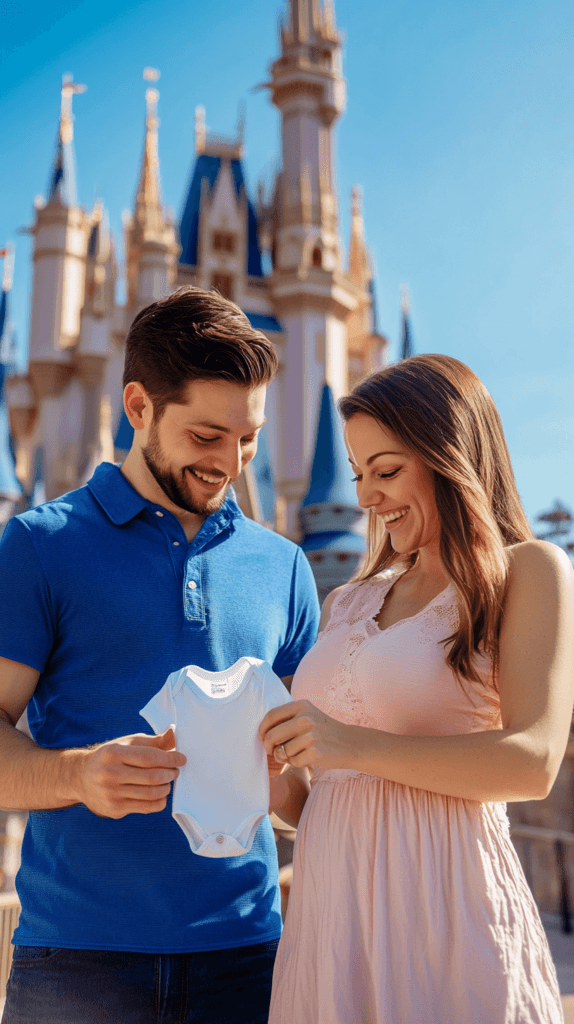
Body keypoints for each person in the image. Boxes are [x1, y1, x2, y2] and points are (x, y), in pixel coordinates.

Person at [0, 287, 319, 1024]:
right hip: (75, 968)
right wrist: (78, 774)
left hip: (250, 961)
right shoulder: (40, 547)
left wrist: (288, 783)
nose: (230, 464)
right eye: (207, 436)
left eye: (249, 438)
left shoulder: (285, 567)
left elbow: (307, 789)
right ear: (138, 406)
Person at [260, 354, 574, 1024]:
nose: (366, 497)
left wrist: (347, 742)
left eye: (387, 470)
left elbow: (534, 761)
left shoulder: (528, 571)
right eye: (358, 475)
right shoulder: (349, 599)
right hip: (332, 923)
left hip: (447, 908)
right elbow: (324, 796)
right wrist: (273, 782)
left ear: (448, 454)